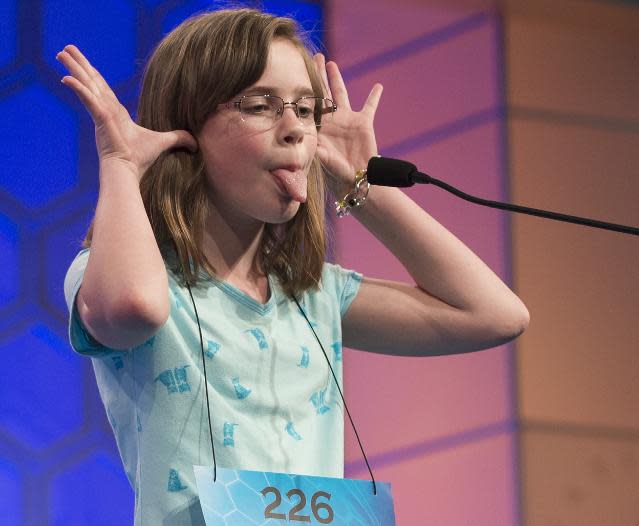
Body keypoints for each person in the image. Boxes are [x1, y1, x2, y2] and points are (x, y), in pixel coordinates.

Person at [59, 7, 528, 525]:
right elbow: (134, 308)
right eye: (261, 105)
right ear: (185, 130)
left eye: (306, 111)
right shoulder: (117, 274)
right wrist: (124, 167)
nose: (295, 131)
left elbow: (495, 314)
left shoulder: (314, 294)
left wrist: (360, 183)